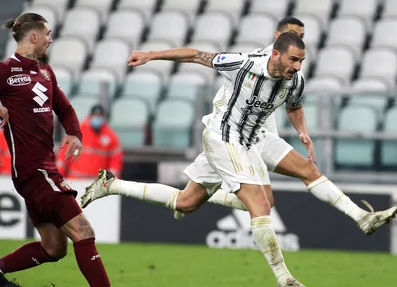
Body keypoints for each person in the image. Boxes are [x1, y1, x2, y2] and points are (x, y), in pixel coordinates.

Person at [83, 32, 309, 286]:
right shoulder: (243, 64)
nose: (298, 66)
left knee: (186, 202)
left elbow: (295, 106)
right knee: (260, 203)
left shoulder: (293, 81)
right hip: (222, 138)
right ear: (276, 53)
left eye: (301, 60)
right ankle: (284, 278)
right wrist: (150, 55)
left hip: (239, 143)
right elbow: (196, 55)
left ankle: (112, 185)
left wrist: (302, 131)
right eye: (293, 59)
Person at [198, 16, 397, 235]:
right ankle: (209, 196)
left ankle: (361, 216)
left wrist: (303, 132)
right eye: (293, 35)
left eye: (302, 36)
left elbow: (294, 105)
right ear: (278, 38)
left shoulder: (292, 71)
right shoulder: (251, 62)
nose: (298, 39)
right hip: (234, 137)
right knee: (204, 202)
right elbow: (207, 62)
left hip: (261, 137)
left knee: (299, 177)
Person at [0, 13, 111, 287]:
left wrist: (74, 132)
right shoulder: (4, 71)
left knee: (53, 248)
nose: (51, 39)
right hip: (34, 170)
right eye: (48, 34)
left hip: (40, 171)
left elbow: (65, 108)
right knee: (83, 232)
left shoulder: (45, 72)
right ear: (34, 36)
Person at [57, 104, 123, 179]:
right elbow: (63, 158)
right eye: (95, 115)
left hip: (96, 184)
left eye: (100, 116)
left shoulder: (111, 137)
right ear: (90, 116)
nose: (97, 118)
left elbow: (115, 164)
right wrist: (59, 179)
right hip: (75, 181)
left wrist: (110, 183)